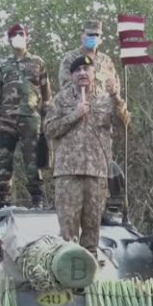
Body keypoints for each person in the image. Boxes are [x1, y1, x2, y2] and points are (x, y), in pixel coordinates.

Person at [45, 55, 130, 264]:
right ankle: (68, 276)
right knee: (68, 232)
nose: (82, 73)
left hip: (97, 173)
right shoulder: (61, 99)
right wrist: (74, 114)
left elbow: (126, 127)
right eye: (78, 70)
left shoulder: (106, 100)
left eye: (87, 69)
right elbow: (49, 130)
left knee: (92, 230)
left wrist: (117, 99)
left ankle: (89, 278)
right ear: (72, 76)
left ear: (94, 74)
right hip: (68, 173)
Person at [0, 23, 52, 208]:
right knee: (3, 160)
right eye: (14, 35)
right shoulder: (1, 65)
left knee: (32, 160)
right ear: (9, 40)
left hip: (31, 119)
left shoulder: (38, 63)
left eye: (21, 34)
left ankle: (37, 199)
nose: (18, 37)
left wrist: (47, 119)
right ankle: (4, 199)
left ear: (27, 37)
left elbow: (47, 94)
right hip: (5, 119)